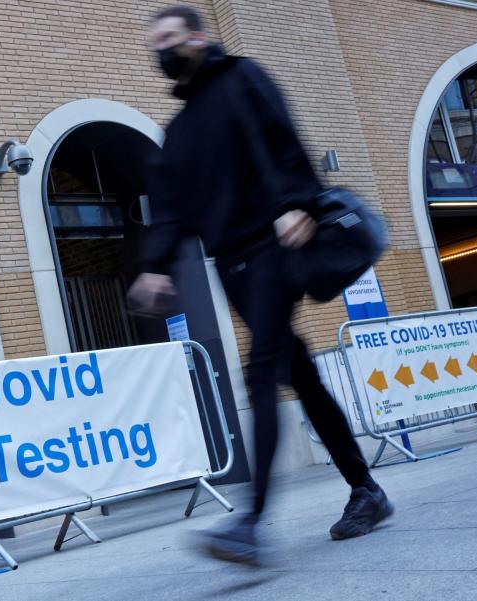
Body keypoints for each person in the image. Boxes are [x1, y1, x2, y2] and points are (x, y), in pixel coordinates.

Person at [129, 5, 394, 564]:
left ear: (198, 38)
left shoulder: (241, 77)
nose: (162, 50)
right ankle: (366, 490)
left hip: (275, 245)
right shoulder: (175, 133)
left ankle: (250, 521)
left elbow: (281, 137)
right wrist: (156, 266)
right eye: (155, 42)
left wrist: (295, 202)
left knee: (261, 370)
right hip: (231, 262)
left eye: (170, 38)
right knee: (299, 372)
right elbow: (172, 210)